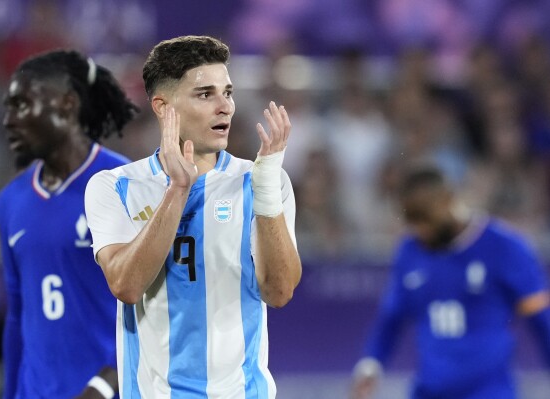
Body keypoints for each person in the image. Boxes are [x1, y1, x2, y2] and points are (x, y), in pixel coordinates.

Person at [84, 35, 302, 398]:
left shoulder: (262, 181)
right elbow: (126, 285)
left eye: (228, 92)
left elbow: (279, 292)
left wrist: (264, 192)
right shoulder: (115, 186)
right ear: (162, 106)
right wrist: (177, 190)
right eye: (206, 94)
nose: (225, 107)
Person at [0, 49, 139, 399]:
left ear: (66, 104)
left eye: (21, 105)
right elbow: (18, 315)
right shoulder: (10, 200)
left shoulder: (125, 183)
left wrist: (105, 385)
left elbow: (159, 306)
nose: (8, 120)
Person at [349, 164, 550, 399]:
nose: (421, 230)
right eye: (414, 222)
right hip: (429, 390)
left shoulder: (504, 247)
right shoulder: (410, 251)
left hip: (489, 391)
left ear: (449, 201)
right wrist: (371, 365)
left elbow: (541, 320)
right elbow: (391, 318)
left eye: (425, 219)